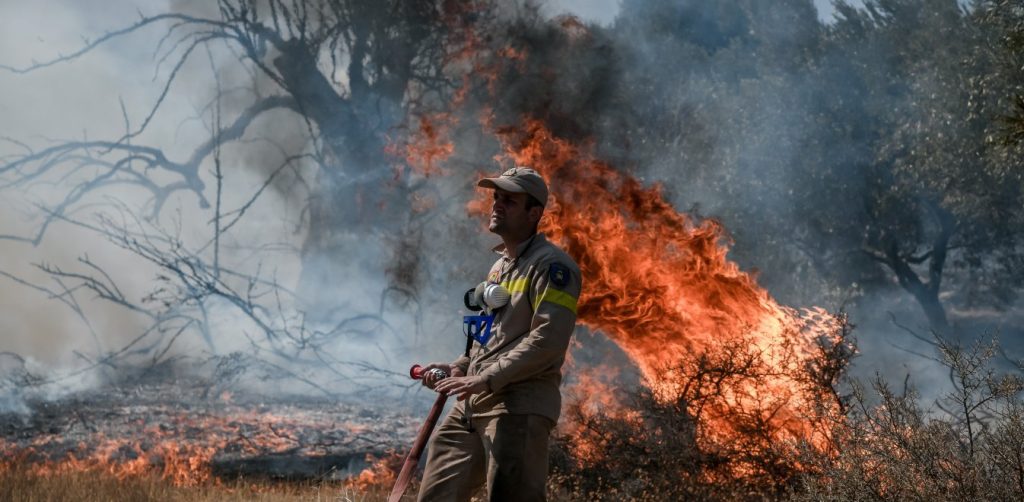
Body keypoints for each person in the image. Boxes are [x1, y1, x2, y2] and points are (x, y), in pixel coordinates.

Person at [415, 167, 582, 501]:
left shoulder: (552, 267)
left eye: (509, 200)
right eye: (496, 197)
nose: (497, 205)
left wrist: (486, 378)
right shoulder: (499, 267)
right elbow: (490, 340)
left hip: (517, 407)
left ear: (534, 214)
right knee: (436, 493)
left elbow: (548, 341)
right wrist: (459, 368)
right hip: (473, 404)